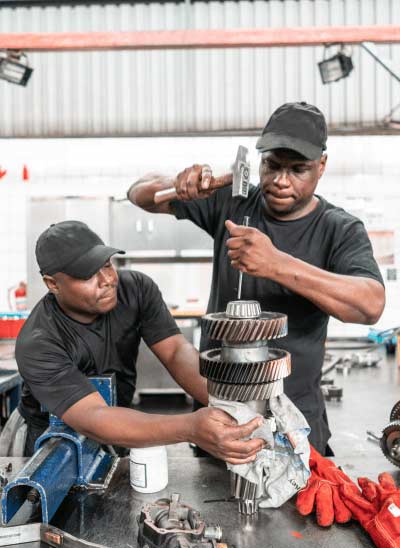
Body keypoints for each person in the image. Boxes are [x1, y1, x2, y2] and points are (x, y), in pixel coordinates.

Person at [127, 101, 385, 455]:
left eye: (298, 169)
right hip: (221, 420)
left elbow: (370, 305)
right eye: (272, 166)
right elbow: (140, 193)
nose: (281, 180)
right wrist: (178, 183)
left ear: (321, 166)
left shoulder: (338, 229)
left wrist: (276, 264)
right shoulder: (232, 202)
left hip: (294, 424)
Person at [15, 220, 265, 460]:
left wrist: (233, 403)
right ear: (53, 284)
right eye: (87, 274)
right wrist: (190, 427)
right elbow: (93, 416)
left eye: (106, 265)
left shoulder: (134, 289)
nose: (108, 280)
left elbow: (175, 351)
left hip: (119, 424)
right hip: (53, 439)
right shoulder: (39, 342)